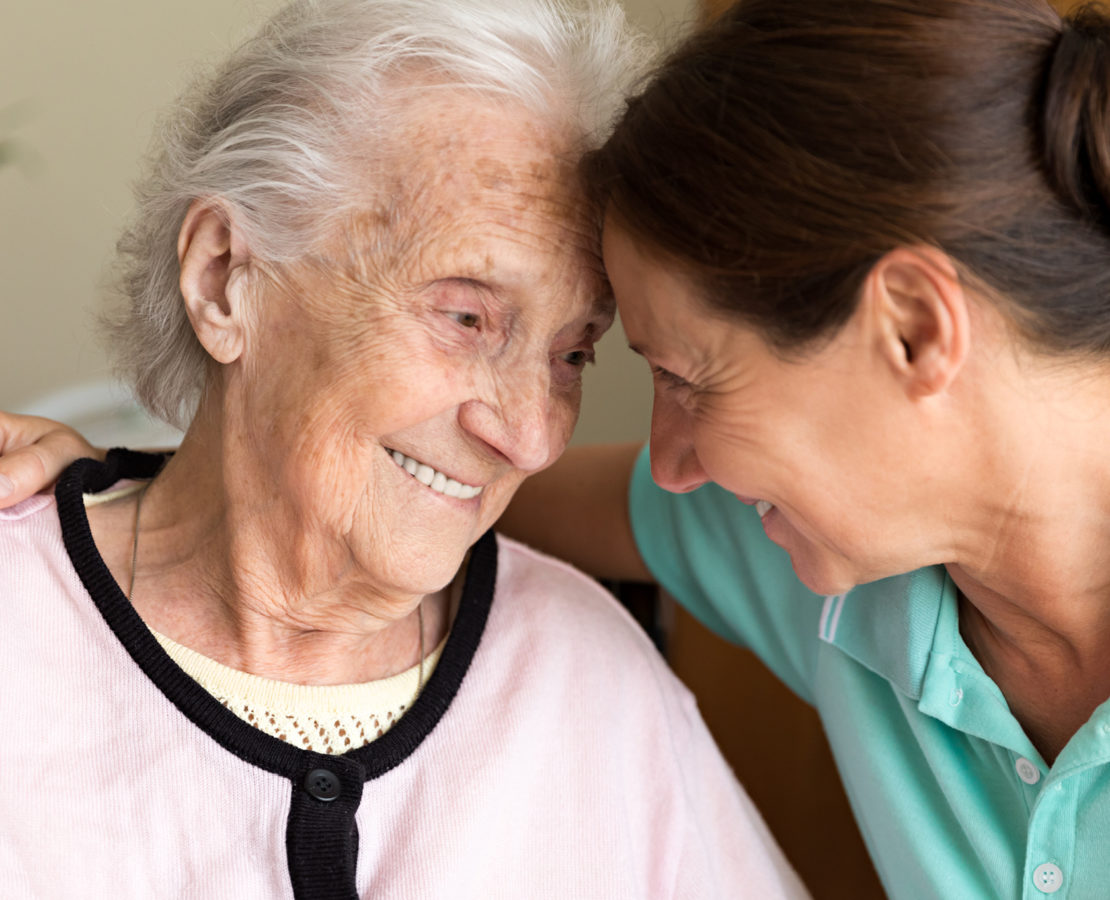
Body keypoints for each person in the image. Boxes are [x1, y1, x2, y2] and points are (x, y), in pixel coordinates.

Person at [18, 0, 1110, 896]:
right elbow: (388, 483)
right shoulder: (777, 539)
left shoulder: (620, 665)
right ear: (225, 278)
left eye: (577, 356)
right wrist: (96, 494)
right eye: (465, 316)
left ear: (917, 333)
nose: (537, 439)